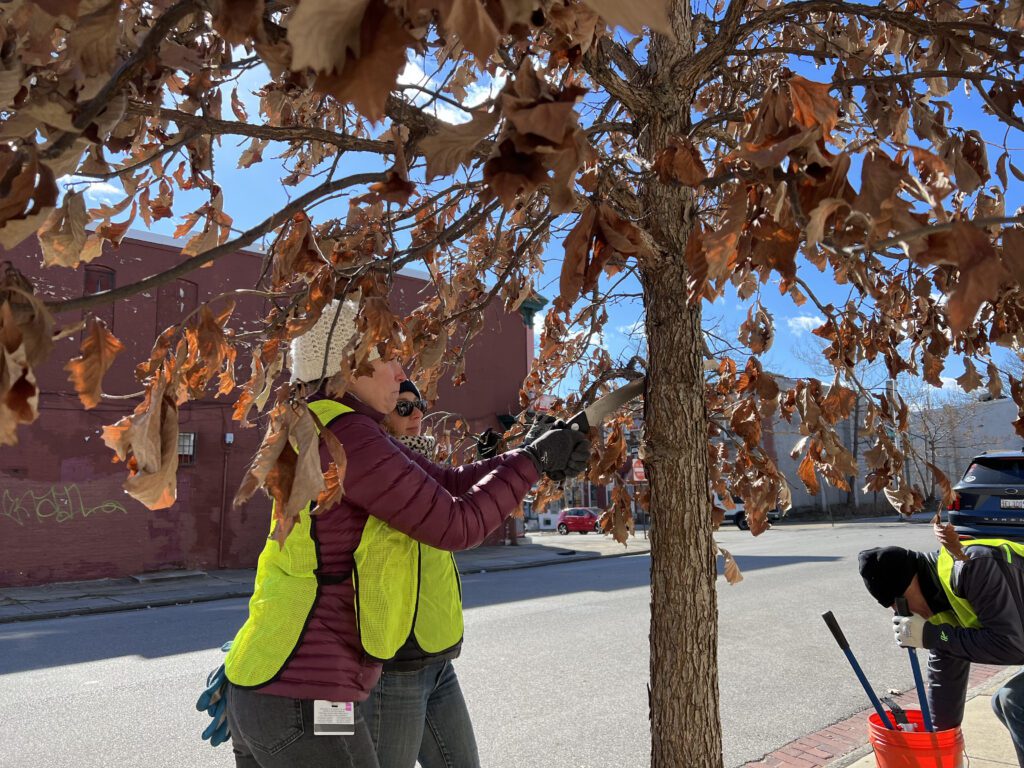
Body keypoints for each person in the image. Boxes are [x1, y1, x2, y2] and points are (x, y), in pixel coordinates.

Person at [209, 297, 590, 768]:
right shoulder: (348, 435)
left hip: (274, 691)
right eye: (387, 358)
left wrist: (529, 456)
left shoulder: (329, 426)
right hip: (307, 702)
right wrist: (533, 463)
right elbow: (456, 523)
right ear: (347, 365)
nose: (400, 372)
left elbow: (445, 484)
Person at [362, 379, 480, 768]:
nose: (418, 415)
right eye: (403, 407)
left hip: (437, 661)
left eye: (421, 405)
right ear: (379, 414)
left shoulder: (427, 472)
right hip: (391, 670)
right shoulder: (373, 473)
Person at [858, 540, 1024, 765]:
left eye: (899, 604)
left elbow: (1012, 646)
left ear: (910, 581)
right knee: (1004, 703)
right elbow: (946, 672)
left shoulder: (973, 566)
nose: (902, 613)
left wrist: (932, 636)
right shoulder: (936, 603)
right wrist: (936, 744)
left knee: (1015, 700)